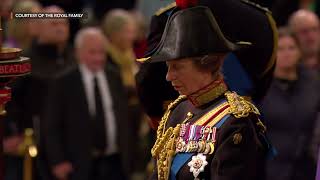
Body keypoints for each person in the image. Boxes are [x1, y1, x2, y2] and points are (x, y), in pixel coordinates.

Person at [145, 6, 271, 180]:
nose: (168, 76)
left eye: (177, 67)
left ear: (207, 64)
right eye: (168, 67)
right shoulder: (177, 111)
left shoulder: (236, 122)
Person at [43, 27, 133, 180]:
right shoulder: (63, 82)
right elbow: (51, 125)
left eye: (102, 52)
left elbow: (123, 116)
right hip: (79, 165)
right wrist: (57, 161)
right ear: (78, 53)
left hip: (116, 162)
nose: (98, 58)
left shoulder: (114, 75)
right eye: (92, 52)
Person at [259, 27, 320, 180]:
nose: (287, 53)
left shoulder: (313, 82)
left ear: (300, 52)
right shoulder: (259, 86)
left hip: (307, 167)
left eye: (292, 48)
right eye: (280, 49)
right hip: (270, 168)